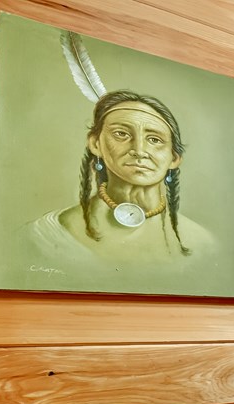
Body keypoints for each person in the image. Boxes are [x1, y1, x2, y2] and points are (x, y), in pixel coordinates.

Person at [21, 90, 213, 277]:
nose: (139, 150)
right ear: (96, 144)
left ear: (174, 158)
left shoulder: (201, 243)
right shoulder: (43, 235)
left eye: (154, 139)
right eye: (121, 134)